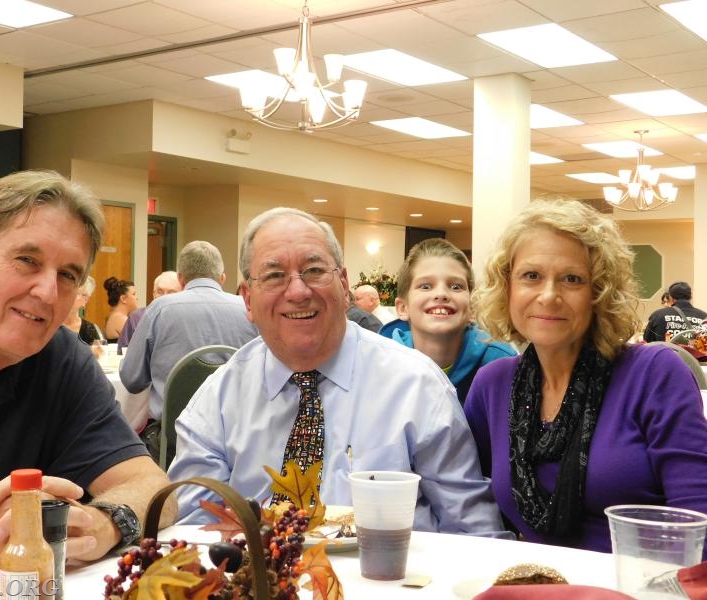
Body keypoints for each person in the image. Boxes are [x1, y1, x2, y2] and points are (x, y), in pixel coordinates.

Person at [168, 207, 507, 536]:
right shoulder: (218, 400)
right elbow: (194, 528)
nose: (298, 291)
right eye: (274, 276)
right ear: (247, 300)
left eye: (314, 271)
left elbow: (471, 530)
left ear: (344, 285)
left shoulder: (417, 386)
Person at [0, 170, 174, 578]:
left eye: (67, 275)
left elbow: (155, 490)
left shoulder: (63, 363)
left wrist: (106, 523)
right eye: (26, 260)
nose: (48, 293)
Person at [463, 198, 707, 554]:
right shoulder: (492, 385)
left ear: (599, 294)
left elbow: (698, 520)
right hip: (534, 585)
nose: (549, 296)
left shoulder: (654, 375)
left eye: (572, 279)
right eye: (531, 276)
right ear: (507, 287)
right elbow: (472, 500)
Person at [120, 241, 258, 465]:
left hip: (171, 442)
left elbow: (131, 380)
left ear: (181, 278)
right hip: (238, 437)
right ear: (222, 277)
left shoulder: (160, 309)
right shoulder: (249, 310)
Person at [388, 238, 516, 404]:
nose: (441, 294)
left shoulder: (501, 364)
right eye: (426, 286)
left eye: (456, 286)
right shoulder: (383, 364)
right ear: (403, 308)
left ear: (472, 308)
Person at [117, 270, 181, 352]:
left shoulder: (187, 320)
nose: (164, 297)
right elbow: (122, 352)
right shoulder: (137, 318)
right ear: (153, 294)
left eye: (171, 292)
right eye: (160, 292)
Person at [62, 275, 101, 345]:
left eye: (76, 292)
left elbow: (98, 353)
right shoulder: (49, 324)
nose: (68, 296)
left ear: (85, 300)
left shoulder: (89, 329)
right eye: (67, 291)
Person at [103, 276, 138, 342]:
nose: (137, 298)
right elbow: (140, 342)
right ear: (123, 299)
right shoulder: (119, 318)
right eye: (134, 294)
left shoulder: (117, 316)